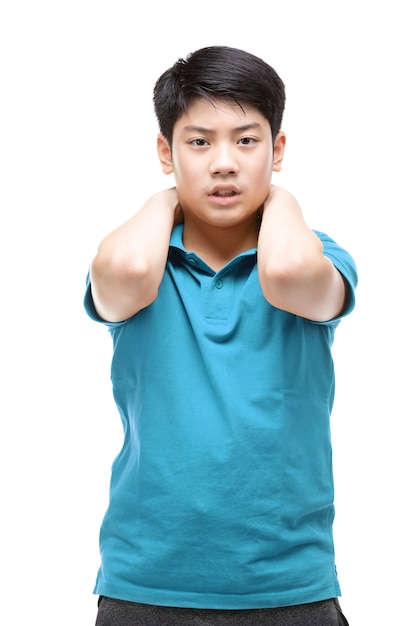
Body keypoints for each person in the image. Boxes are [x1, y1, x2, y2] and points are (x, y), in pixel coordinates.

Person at [84, 45, 357, 626]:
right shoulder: (143, 258)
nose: (224, 163)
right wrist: (168, 199)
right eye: (199, 141)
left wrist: (280, 199)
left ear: (278, 149)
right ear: (166, 151)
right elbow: (125, 275)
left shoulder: (317, 254)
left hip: (290, 587)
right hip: (146, 585)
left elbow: (288, 275)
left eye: (247, 140)